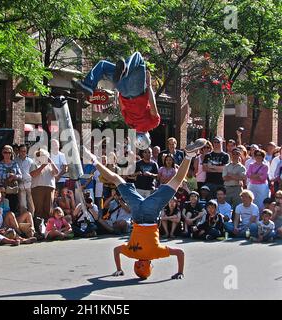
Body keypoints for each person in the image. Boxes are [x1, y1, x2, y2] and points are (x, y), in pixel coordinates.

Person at [83, 138, 207, 279]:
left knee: (176, 181)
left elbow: (180, 253)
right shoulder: (131, 252)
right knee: (117, 179)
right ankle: (93, 160)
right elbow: (116, 250)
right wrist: (119, 269)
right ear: (137, 265)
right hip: (136, 212)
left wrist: (180, 272)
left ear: (149, 266)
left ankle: (189, 155)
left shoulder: (156, 253)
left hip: (150, 214)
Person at [73, 52, 160, 144]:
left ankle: (123, 70)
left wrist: (149, 85)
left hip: (137, 91)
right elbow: (121, 105)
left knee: (138, 57)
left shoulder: (153, 124)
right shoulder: (130, 123)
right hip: (124, 91)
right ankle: (88, 85)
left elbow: (153, 107)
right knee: (103, 66)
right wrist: (118, 89)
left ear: (148, 136)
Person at [30, 149, 59, 221]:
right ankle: (38, 227)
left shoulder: (51, 165)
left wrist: (51, 162)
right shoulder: (34, 163)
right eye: (40, 155)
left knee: (49, 209)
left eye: (45, 155)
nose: (43, 157)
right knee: (39, 209)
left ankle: (47, 227)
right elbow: (33, 174)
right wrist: (43, 166)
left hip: (50, 188)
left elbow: (56, 172)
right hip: (37, 188)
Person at [0, 145, 22, 213]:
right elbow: (0, 175)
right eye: (5, 152)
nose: (7, 154)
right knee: (4, 208)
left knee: (13, 208)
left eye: (9, 152)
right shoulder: (0, 164)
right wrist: (10, 175)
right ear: (2, 153)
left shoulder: (15, 163)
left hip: (13, 190)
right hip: (3, 190)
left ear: (11, 153)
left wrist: (15, 177)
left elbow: (20, 176)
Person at [15, 144, 35, 215]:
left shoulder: (31, 161)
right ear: (19, 151)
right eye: (22, 151)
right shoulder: (15, 160)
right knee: (22, 204)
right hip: (20, 183)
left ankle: (32, 219)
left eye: (25, 151)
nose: (23, 152)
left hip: (29, 183)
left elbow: (33, 173)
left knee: (31, 203)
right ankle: (24, 220)